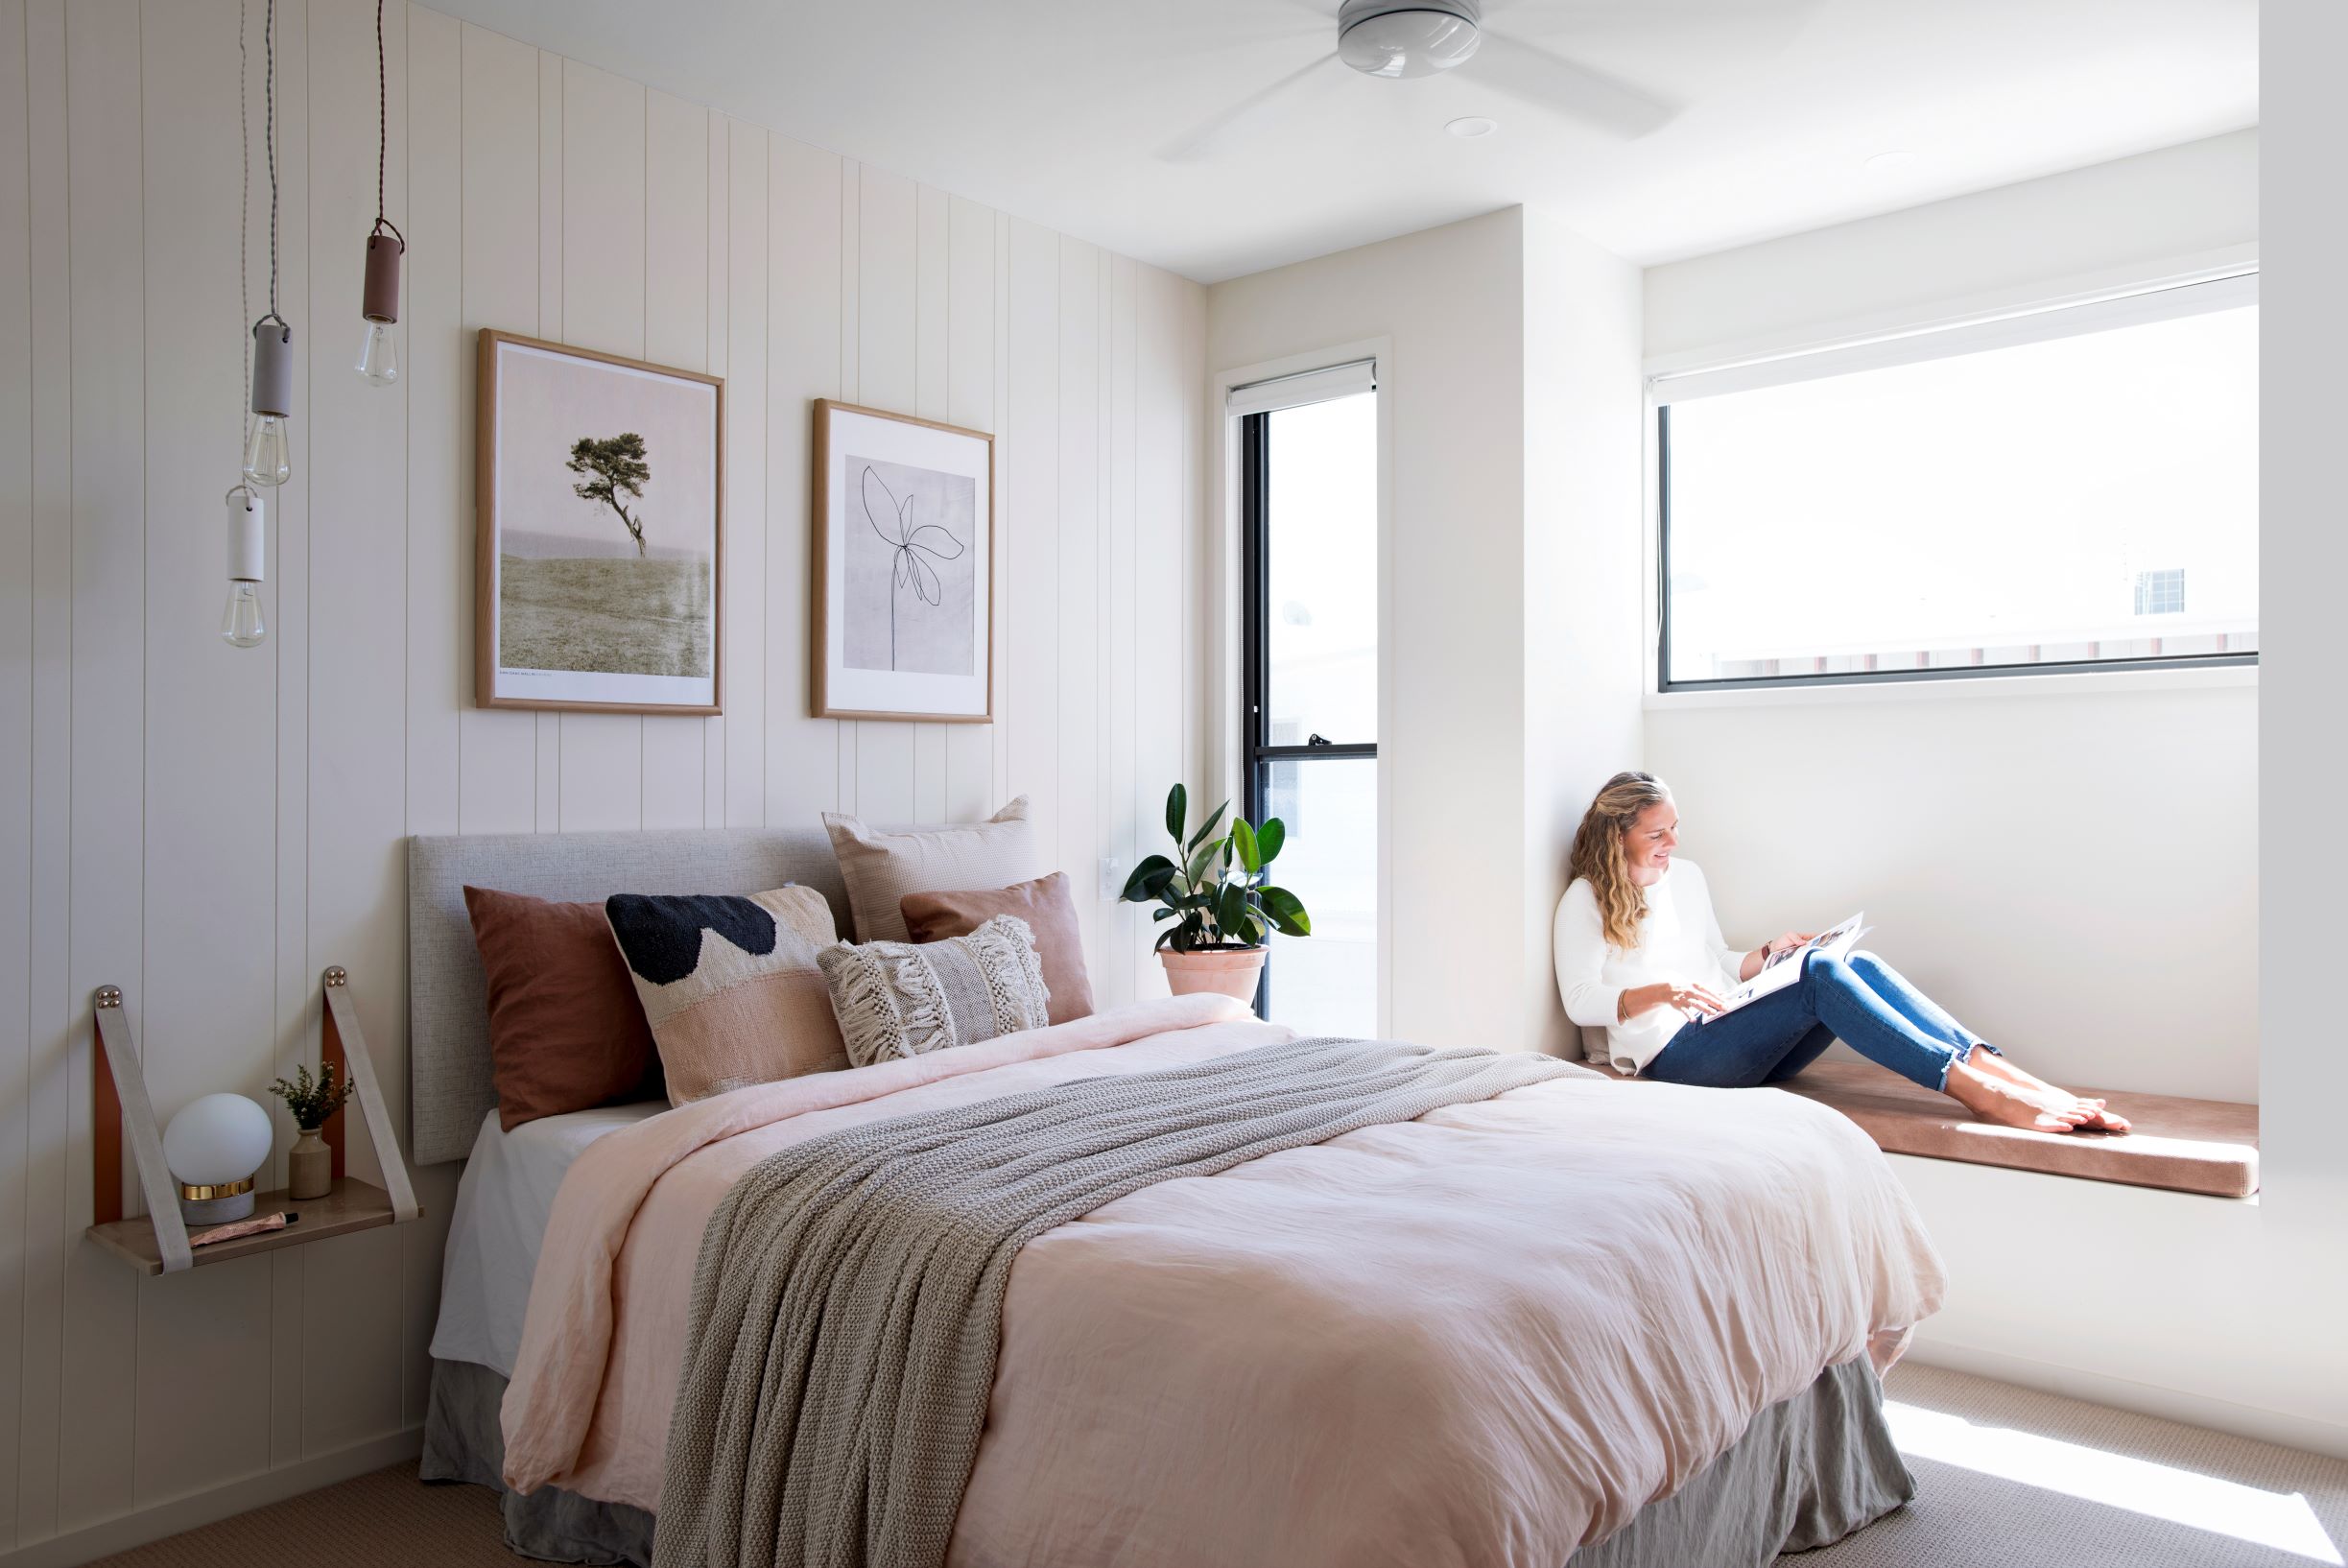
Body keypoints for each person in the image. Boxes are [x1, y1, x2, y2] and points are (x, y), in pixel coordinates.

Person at [1553, 771, 2127, 1134]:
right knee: (1823, 975)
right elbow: (1581, 1002)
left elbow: (1715, 958)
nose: (1674, 844)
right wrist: (1661, 992)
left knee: (1856, 963)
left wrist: (1767, 956)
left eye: (1675, 828)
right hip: (1679, 1059)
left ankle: (2017, 1081)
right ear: (1617, 836)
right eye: (1657, 835)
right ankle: (1979, 1094)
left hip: (1730, 1031)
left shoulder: (1687, 877)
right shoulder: (1587, 897)